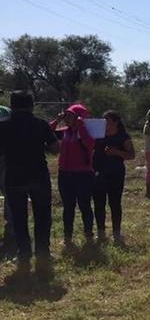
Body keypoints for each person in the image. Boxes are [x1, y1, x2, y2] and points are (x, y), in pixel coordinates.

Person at [0, 92, 59, 277]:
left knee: (19, 218)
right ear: (32, 105)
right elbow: (55, 149)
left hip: (14, 177)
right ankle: (43, 253)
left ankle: (23, 254)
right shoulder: (40, 124)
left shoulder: (3, 127)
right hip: (38, 176)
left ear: (12, 105)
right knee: (42, 216)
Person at [51, 104, 95, 245]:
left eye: (70, 116)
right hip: (65, 174)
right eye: (67, 116)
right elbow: (48, 131)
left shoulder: (88, 132)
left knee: (84, 205)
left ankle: (88, 234)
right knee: (68, 206)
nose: (67, 119)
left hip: (83, 174)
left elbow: (89, 144)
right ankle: (67, 237)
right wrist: (57, 121)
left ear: (79, 117)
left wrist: (81, 126)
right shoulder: (65, 132)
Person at [93, 110, 135, 243]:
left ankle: (117, 232)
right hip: (98, 173)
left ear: (116, 122)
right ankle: (101, 232)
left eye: (107, 121)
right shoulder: (98, 135)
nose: (105, 124)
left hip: (116, 174)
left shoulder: (123, 136)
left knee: (115, 203)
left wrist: (116, 152)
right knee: (99, 203)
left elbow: (131, 155)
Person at [0, 103, 15, 260]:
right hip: (7, 157)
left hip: (6, 158)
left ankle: (11, 229)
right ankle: (11, 229)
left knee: (9, 194)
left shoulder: (5, 111)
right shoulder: (6, 111)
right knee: (9, 194)